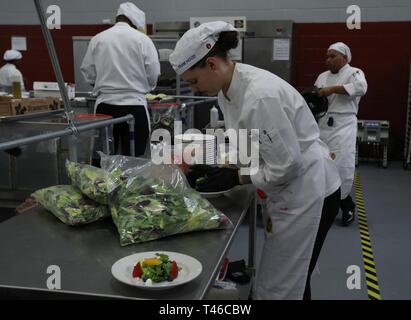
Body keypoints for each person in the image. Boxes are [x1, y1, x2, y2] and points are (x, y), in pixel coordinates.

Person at [169, 21, 341, 300]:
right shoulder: (228, 89)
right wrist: (221, 164)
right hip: (288, 188)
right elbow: (251, 140)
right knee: (289, 280)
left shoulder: (258, 96)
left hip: (307, 189)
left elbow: (286, 165)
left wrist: (237, 176)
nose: (195, 89)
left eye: (194, 82)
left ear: (212, 64)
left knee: (282, 288)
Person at [81, 2, 160, 157]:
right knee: (133, 161)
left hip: (105, 108)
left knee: (104, 159)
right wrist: (146, 86)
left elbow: (88, 71)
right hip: (135, 107)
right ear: (136, 22)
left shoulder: (98, 39)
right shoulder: (142, 40)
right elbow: (153, 73)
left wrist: (102, 84)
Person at [315, 42, 368, 226]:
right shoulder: (322, 76)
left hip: (343, 126)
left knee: (339, 167)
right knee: (322, 168)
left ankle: (347, 205)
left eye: (333, 56)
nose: (328, 60)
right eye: (327, 56)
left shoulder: (354, 73)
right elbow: (316, 96)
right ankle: (326, 206)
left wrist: (333, 89)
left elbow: (361, 88)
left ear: (345, 58)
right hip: (323, 125)